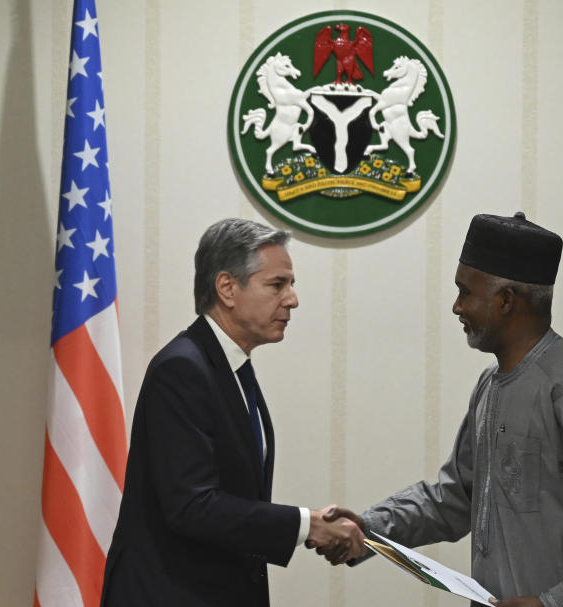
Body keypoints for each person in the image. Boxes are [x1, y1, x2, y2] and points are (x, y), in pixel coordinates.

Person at [322, 212, 563, 607]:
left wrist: (558, 603)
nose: (456, 307)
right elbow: (456, 498)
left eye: (465, 292)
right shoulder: (490, 385)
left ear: (505, 300)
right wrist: (370, 529)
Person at [101, 218, 365, 607]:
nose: (292, 299)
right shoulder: (182, 368)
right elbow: (192, 506)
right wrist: (306, 526)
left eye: (291, 285)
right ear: (227, 288)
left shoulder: (231, 365)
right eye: (277, 284)